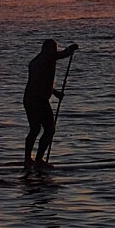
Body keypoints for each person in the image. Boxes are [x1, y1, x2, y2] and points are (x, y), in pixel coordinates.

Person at [24, 38, 79, 168]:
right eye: (53, 49)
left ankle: (31, 159)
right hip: (37, 101)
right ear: (46, 49)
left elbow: (40, 82)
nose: (54, 52)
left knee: (37, 129)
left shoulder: (37, 61)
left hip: (31, 99)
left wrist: (55, 93)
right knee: (48, 129)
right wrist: (70, 49)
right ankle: (36, 160)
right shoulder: (45, 58)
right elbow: (62, 54)